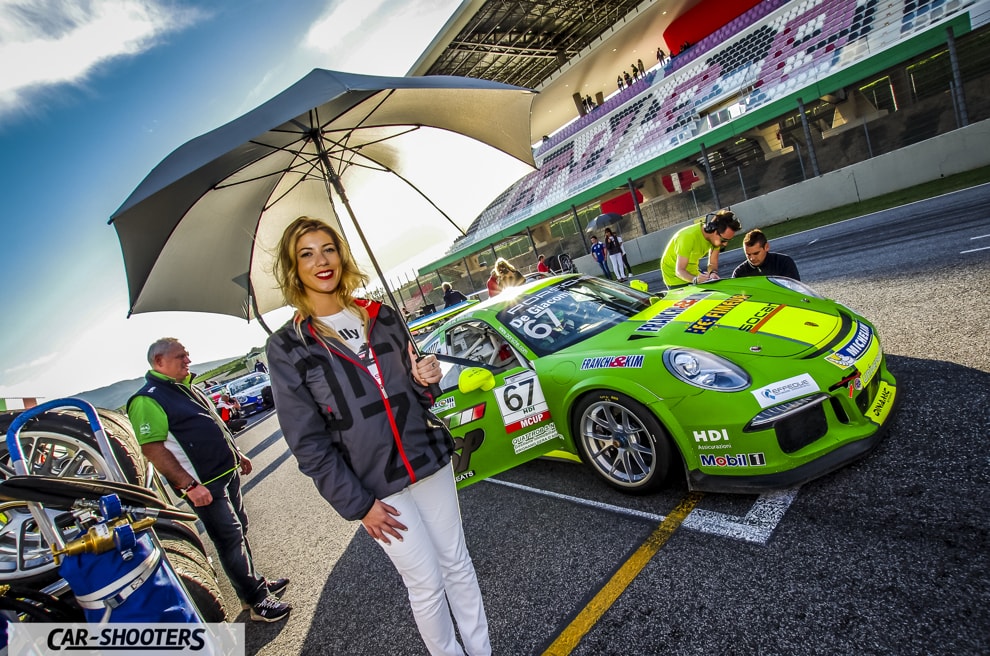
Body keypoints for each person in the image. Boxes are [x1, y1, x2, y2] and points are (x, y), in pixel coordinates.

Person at [265, 216, 491, 656]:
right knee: (425, 583)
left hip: (427, 457)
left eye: (328, 248)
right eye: (306, 254)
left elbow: (418, 394)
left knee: (457, 565)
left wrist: (427, 378)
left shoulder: (381, 315)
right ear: (295, 269)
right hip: (377, 487)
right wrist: (359, 505)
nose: (321, 261)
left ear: (341, 253)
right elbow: (308, 443)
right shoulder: (288, 346)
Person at [127, 338, 291, 622]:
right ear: (159, 362)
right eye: (181, 357)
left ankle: (252, 584)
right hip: (203, 485)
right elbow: (152, 448)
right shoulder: (147, 398)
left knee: (239, 531)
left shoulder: (187, 387)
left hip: (225, 473)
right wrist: (188, 486)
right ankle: (256, 601)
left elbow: (214, 422)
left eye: (187, 355)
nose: (188, 361)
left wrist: (237, 453)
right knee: (229, 538)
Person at [660, 209, 741, 288]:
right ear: (714, 230)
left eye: (728, 240)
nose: (725, 244)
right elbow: (679, 271)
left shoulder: (715, 239)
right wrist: (695, 279)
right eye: (724, 240)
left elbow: (712, 263)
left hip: (692, 272)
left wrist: (712, 273)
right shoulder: (687, 237)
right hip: (674, 278)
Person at [732, 229, 801, 280]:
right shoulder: (739, 273)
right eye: (748, 254)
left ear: (766, 247)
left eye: (756, 253)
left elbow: (795, 290)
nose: (752, 258)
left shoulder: (784, 262)